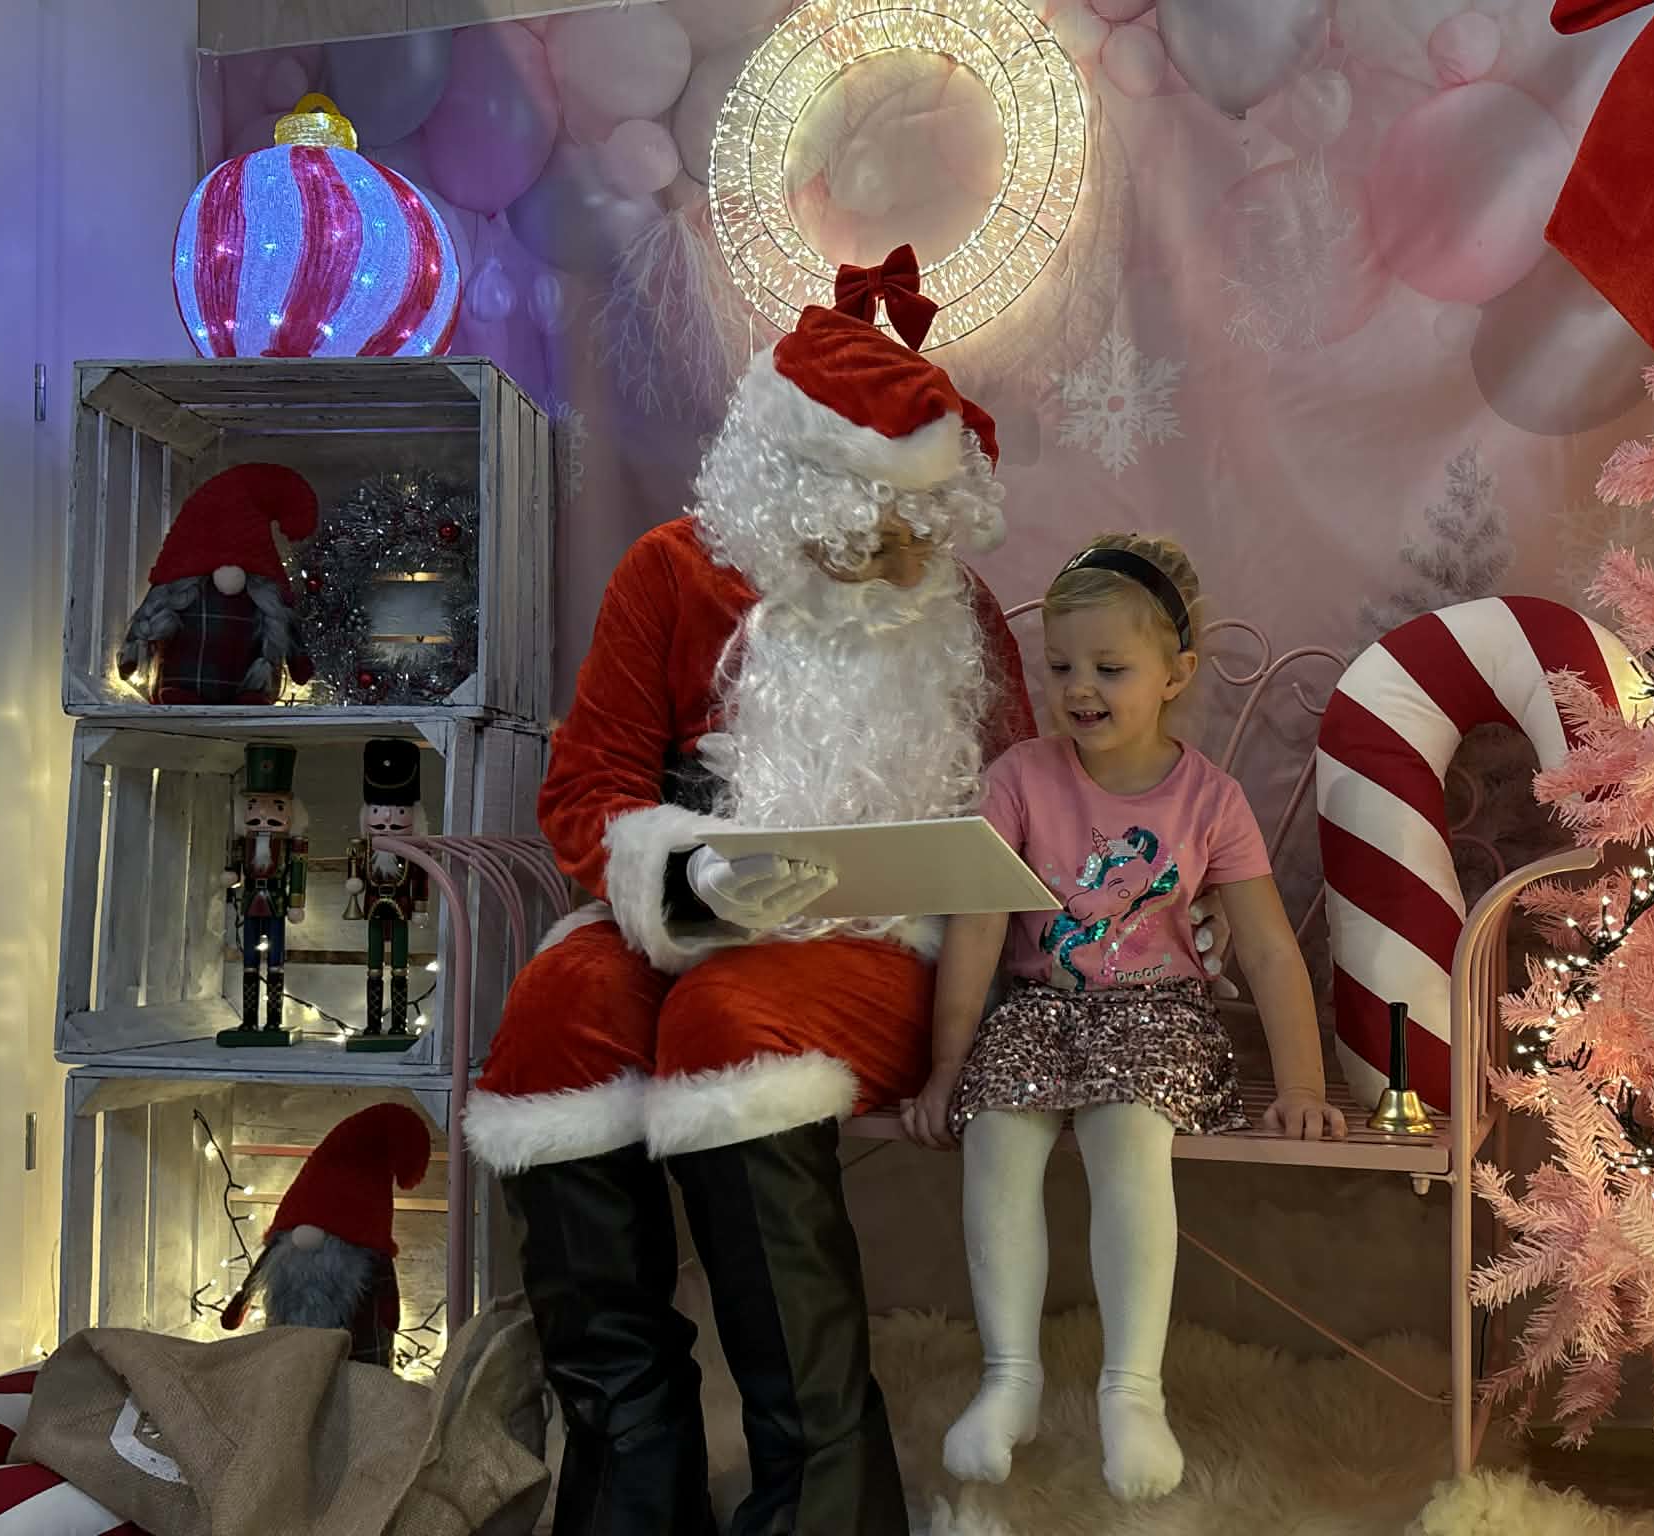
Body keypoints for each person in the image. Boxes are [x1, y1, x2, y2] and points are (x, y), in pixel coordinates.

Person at [462, 252, 1231, 1535]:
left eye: (916, 523)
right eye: (864, 521)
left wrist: (1143, 904)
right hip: (687, 914)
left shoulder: (958, 607)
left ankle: (822, 1497)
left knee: (728, 1025)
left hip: (895, 950)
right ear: (785, 487)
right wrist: (691, 879)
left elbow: (1037, 814)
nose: (892, 552)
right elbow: (586, 789)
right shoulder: (671, 574)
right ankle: (630, 1477)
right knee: (557, 1009)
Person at [901, 534, 1346, 1503]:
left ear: (1175, 674)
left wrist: (1304, 1085)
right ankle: (1009, 1378)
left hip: (1160, 1016)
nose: (1079, 689)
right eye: (1060, 666)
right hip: (1040, 1010)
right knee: (996, 1127)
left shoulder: (1209, 798)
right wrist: (944, 1070)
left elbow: (1270, 950)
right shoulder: (1020, 778)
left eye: (1109, 668)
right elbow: (977, 931)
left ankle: (1131, 1391)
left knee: (1126, 1130)